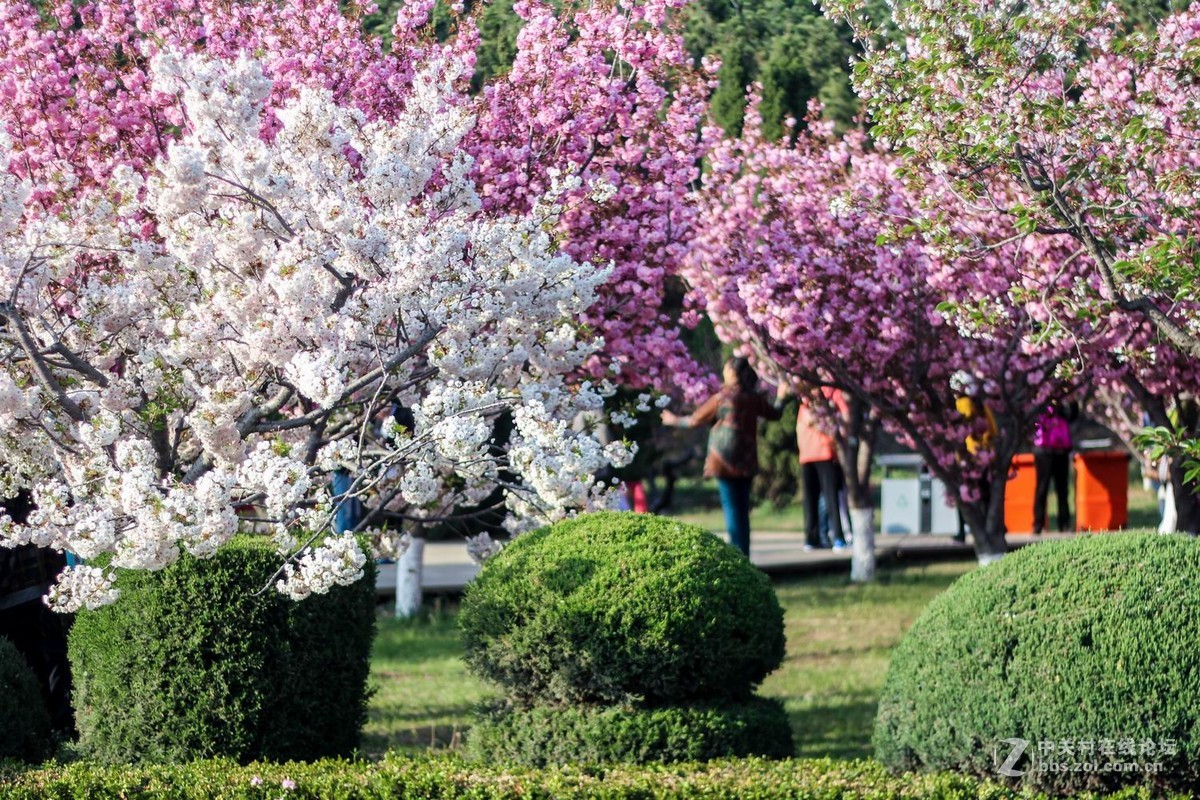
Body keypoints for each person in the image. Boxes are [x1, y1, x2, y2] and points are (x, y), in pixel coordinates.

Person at [662, 357, 783, 556]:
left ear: (733, 373)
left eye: (726, 368)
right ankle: (744, 554)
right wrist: (782, 397)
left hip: (723, 461)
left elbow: (695, 419)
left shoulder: (722, 397)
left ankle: (738, 556)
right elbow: (775, 414)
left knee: (732, 510)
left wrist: (673, 420)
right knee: (742, 511)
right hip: (746, 460)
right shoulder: (753, 398)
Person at [0, 491, 75, 740]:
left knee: (34, 663)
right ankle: (61, 723)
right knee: (52, 659)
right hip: (42, 590)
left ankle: (49, 725)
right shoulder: (31, 491)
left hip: (20, 597)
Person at [797, 388, 849, 550]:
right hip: (812, 454)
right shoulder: (806, 403)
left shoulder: (833, 395)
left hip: (824, 452)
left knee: (829, 498)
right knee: (815, 499)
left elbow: (844, 418)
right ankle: (813, 538)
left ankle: (836, 537)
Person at [951, 370, 998, 542]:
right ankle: (989, 526)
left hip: (967, 455)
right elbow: (994, 430)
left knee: (964, 494)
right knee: (986, 493)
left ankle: (962, 531)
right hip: (985, 454)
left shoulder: (961, 404)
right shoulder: (982, 405)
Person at [1032, 401, 1077, 534]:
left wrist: (1071, 400)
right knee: (1042, 490)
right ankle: (1037, 524)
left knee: (1062, 490)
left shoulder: (1063, 406)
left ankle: (1064, 524)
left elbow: (1073, 416)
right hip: (1043, 451)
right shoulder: (1040, 402)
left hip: (1061, 452)